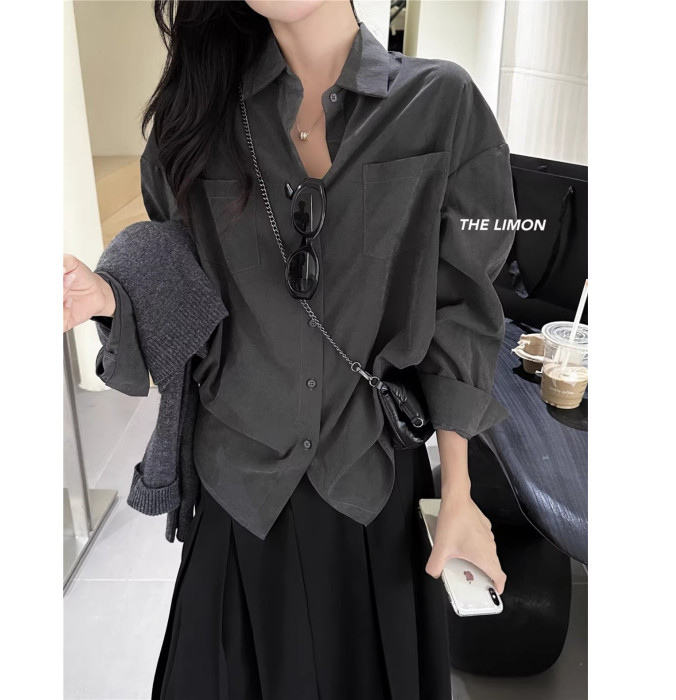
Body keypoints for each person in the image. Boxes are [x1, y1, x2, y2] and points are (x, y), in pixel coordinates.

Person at [63, 1, 516, 698]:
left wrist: (459, 491)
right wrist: (110, 295)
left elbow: (464, 314)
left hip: (369, 495)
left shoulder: (441, 104)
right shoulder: (200, 115)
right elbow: (176, 271)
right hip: (239, 497)